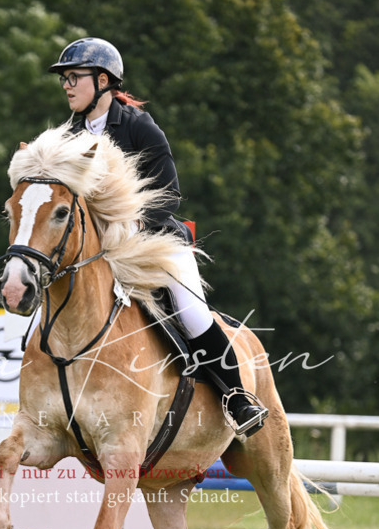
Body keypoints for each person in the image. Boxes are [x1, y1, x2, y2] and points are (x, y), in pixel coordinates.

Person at [49, 36, 268, 438]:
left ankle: (237, 397)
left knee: (191, 310)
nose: (66, 85)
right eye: (63, 78)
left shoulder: (139, 128)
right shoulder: (66, 136)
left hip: (151, 241)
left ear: (102, 81)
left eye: (73, 77)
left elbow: (168, 193)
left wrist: (122, 225)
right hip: (94, 249)